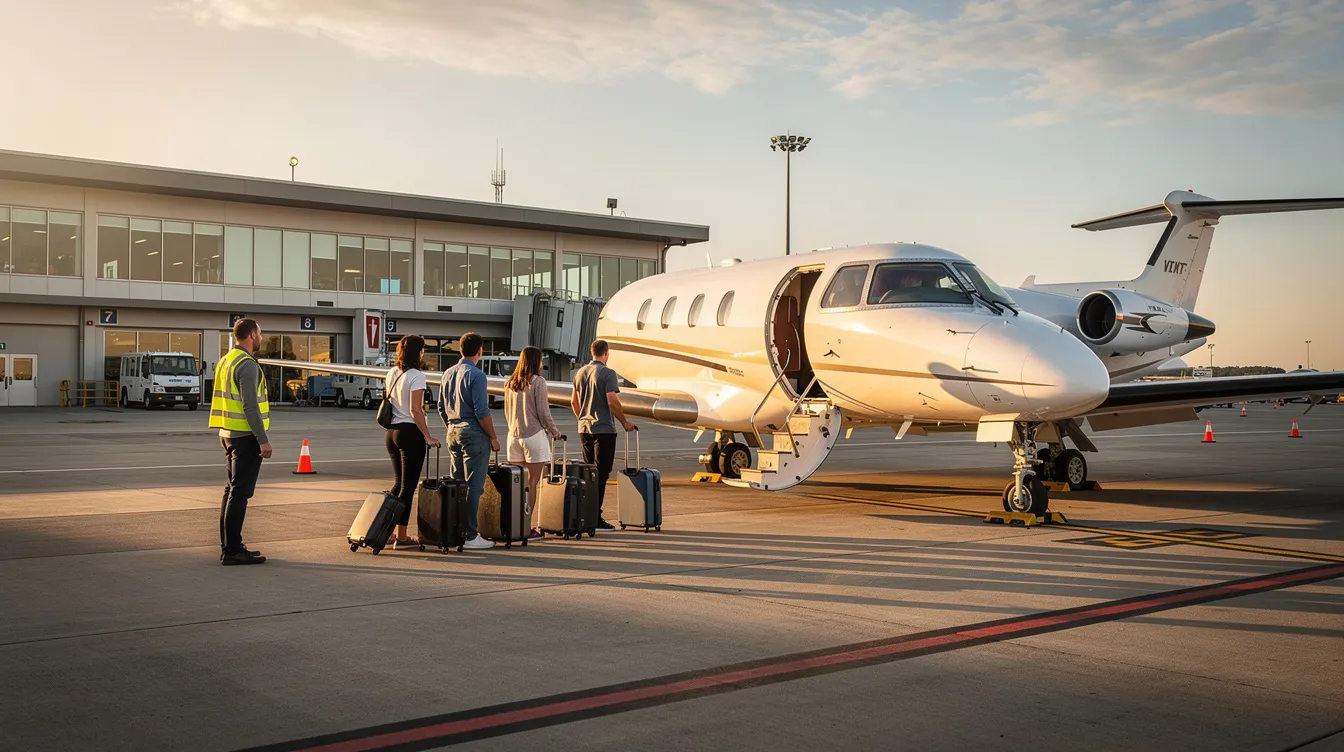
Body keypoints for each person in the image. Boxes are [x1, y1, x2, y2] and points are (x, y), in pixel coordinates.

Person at [209, 318, 272, 566]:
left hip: (228, 433)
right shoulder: (246, 364)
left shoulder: (226, 360)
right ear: (252, 335)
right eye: (260, 332)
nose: (262, 336)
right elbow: (250, 405)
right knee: (240, 494)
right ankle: (233, 550)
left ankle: (231, 546)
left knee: (231, 491)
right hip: (245, 437)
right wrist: (263, 440)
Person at [438, 332, 500, 550]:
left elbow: (440, 407)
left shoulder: (447, 373)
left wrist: (452, 427)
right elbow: (482, 411)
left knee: (457, 486)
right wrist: (493, 437)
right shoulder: (477, 375)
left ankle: (456, 530)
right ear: (480, 351)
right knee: (474, 487)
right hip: (473, 433)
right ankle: (471, 534)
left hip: (452, 432)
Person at [384, 335, 441, 549]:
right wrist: (427, 435)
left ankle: (385, 529)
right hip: (410, 434)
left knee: (398, 484)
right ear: (418, 352)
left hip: (392, 433)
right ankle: (402, 536)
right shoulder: (417, 376)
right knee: (407, 489)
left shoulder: (392, 372)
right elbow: (415, 409)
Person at [571, 339, 634, 530]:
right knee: (601, 474)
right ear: (606, 353)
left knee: (589, 473)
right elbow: (612, 401)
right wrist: (625, 422)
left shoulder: (579, 373)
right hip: (603, 429)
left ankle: (586, 515)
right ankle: (595, 517)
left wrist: (582, 418)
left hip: (584, 429)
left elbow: (574, 402)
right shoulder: (607, 373)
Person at [504, 346, 561, 541]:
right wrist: (555, 432)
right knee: (532, 483)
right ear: (537, 361)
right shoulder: (538, 382)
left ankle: (513, 524)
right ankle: (527, 527)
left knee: (516, 485)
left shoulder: (510, 383)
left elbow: (506, 412)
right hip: (534, 435)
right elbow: (544, 413)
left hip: (513, 436)